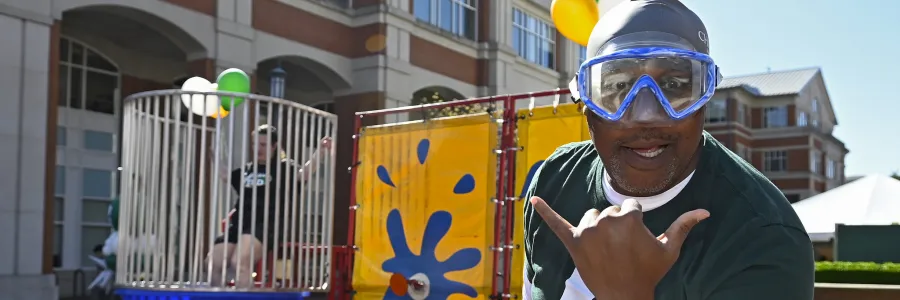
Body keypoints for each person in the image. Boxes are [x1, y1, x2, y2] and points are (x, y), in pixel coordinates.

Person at [522, 1, 814, 299]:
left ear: (705, 100)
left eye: (674, 84)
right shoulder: (553, 182)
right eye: (618, 84)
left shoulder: (763, 240)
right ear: (584, 102)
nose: (645, 114)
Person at [207, 124, 331, 287]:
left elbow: (304, 173)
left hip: (265, 224)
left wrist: (320, 152)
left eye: (264, 145)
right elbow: (225, 175)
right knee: (212, 264)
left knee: (239, 263)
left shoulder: (284, 167)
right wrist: (211, 151)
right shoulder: (247, 170)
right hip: (239, 223)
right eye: (255, 144)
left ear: (274, 146)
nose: (258, 149)